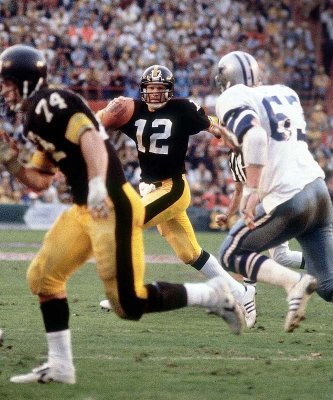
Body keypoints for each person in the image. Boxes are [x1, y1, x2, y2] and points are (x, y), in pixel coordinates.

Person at [0, 45, 245, 385]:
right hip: (85, 208)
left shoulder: (52, 102)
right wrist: (9, 160)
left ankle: (215, 295)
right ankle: (60, 366)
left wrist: (100, 183)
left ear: (27, 81)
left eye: (8, 82)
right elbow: (40, 181)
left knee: (128, 304)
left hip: (112, 203)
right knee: (43, 278)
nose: (4, 90)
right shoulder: (31, 119)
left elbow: (91, 139)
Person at [96, 64, 256, 328]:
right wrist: (102, 115)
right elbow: (98, 124)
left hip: (172, 187)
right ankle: (242, 293)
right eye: (151, 89)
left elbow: (212, 126)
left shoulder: (182, 108)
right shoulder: (131, 109)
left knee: (126, 224)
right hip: (149, 187)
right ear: (143, 90)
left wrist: (230, 137)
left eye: (160, 89)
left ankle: (125, 293)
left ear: (169, 90)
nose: (156, 94)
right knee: (190, 253)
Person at [214, 50, 333, 332]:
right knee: (329, 286)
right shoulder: (284, 92)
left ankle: (294, 283)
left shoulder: (232, 96)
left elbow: (254, 136)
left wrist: (252, 190)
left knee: (231, 253)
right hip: (318, 191)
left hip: (288, 197)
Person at [217, 147, 305, 290]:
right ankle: (248, 297)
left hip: (273, 204)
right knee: (275, 256)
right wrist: (227, 215)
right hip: (254, 207)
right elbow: (239, 190)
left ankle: (248, 294)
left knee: (262, 252)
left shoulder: (260, 149)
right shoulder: (233, 157)